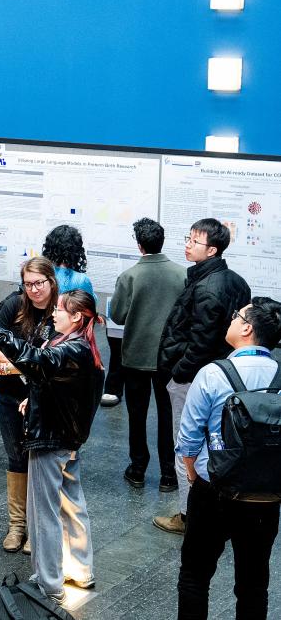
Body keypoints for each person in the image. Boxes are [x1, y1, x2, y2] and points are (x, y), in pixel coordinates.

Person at [0, 288, 105, 603]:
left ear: (76, 317)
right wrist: (35, 398)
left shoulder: (70, 348)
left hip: (51, 439)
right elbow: (59, 384)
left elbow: (35, 360)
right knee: (72, 504)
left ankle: (49, 583)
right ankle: (80, 570)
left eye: (60, 310)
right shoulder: (81, 346)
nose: (54, 314)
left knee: (43, 514)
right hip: (67, 439)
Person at [175, 298, 281, 620]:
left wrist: (194, 476)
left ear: (247, 329)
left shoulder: (213, 373)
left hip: (214, 489)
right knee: (254, 584)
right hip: (266, 494)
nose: (232, 319)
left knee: (195, 576)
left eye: (237, 316)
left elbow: (188, 439)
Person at [154, 218, 251, 535]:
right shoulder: (235, 281)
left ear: (212, 250)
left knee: (186, 446)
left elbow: (201, 343)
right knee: (219, 444)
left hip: (195, 378)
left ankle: (188, 515)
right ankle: (214, 510)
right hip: (225, 376)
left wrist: (179, 373)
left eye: (194, 241)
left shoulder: (207, 287)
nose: (187, 245)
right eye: (188, 238)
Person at [0, 256, 59, 554]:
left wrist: (6, 367)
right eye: (28, 284)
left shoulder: (61, 311)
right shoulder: (14, 305)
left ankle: (36, 527)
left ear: (51, 281)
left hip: (44, 397)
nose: (34, 290)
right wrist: (27, 365)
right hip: (8, 395)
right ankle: (17, 525)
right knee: (15, 456)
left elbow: (51, 365)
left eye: (39, 283)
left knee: (40, 460)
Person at [110, 218, 186, 493]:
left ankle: (138, 469)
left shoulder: (130, 276)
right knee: (169, 415)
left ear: (139, 245)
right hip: (170, 357)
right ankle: (169, 474)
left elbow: (117, 315)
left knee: (137, 414)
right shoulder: (182, 274)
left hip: (136, 355)